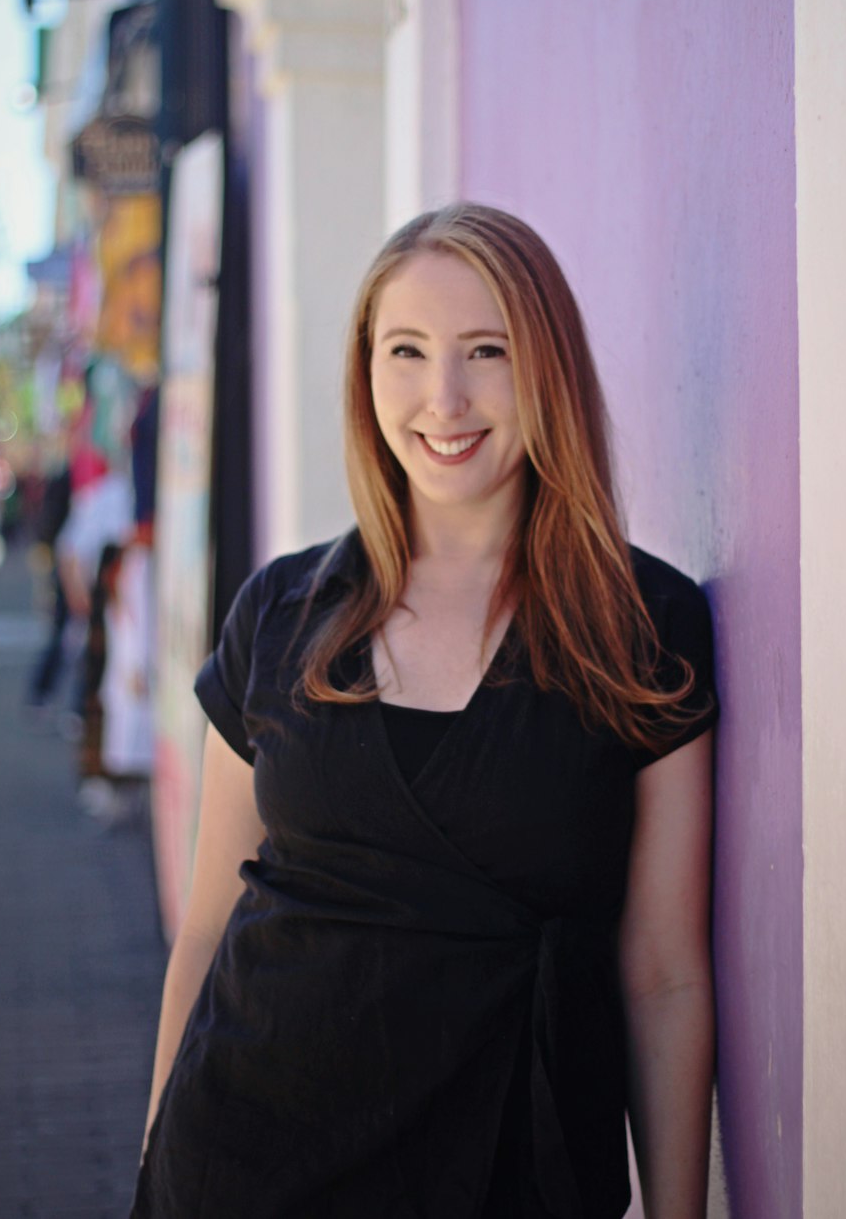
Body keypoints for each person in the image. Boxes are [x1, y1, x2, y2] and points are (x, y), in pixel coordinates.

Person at [132, 204, 719, 1219]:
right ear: (367, 372)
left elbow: (662, 973)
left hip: (510, 1169)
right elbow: (207, 928)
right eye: (406, 350)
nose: (442, 398)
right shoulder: (279, 611)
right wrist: (154, 1171)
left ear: (546, 369)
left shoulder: (641, 624)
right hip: (239, 1167)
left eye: (485, 350)